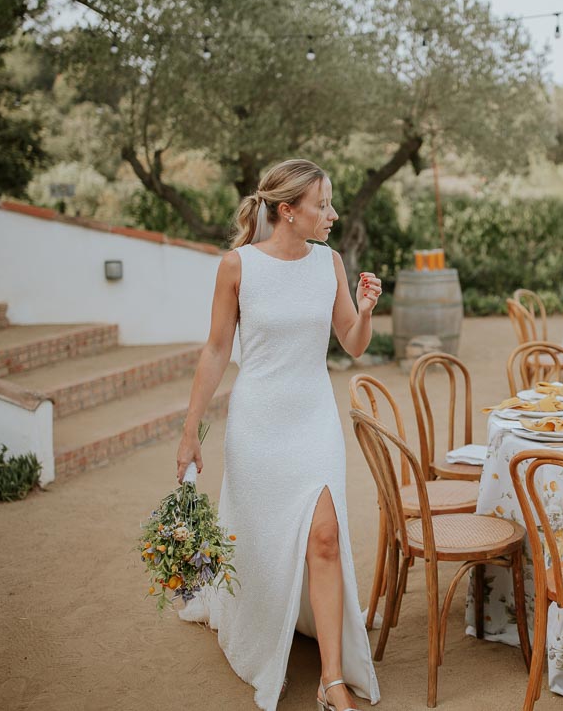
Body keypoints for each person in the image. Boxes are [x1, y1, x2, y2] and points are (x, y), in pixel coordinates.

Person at [175, 159, 381, 711]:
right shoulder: (237, 266)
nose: (332, 214)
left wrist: (363, 310)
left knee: (326, 535)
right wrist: (190, 428)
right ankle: (266, 623)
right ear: (287, 211)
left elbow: (353, 343)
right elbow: (217, 350)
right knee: (261, 537)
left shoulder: (330, 263)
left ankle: (332, 677)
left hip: (314, 418)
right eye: (323, 205)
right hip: (258, 423)